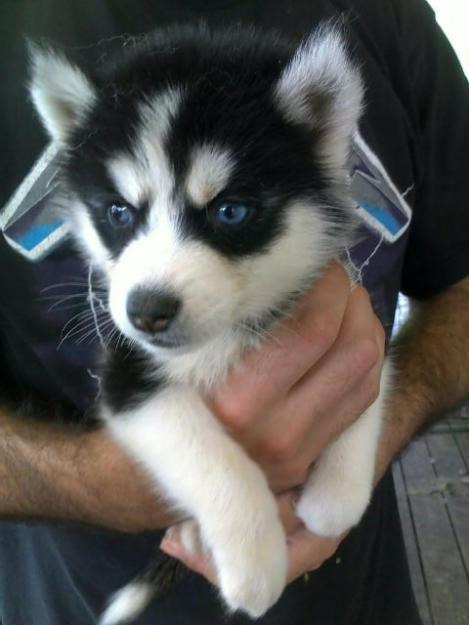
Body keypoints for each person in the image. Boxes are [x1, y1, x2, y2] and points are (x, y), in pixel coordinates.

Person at [0, 1, 468, 624]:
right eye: (120, 217)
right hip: (63, 599)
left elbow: (394, 342)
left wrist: (364, 446)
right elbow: (141, 398)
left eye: (229, 211)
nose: (152, 286)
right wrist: (123, 488)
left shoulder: (387, 20)